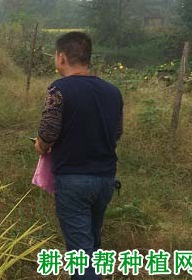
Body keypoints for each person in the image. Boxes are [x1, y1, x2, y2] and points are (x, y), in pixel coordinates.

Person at [34, 32, 123, 280]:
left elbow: (48, 133)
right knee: (92, 243)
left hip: (73, 180)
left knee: (81, 256)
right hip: (105, 179)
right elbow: (116, 133)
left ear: (61, 57)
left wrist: (40, 146)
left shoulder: (59, 89)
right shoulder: (113, 92)